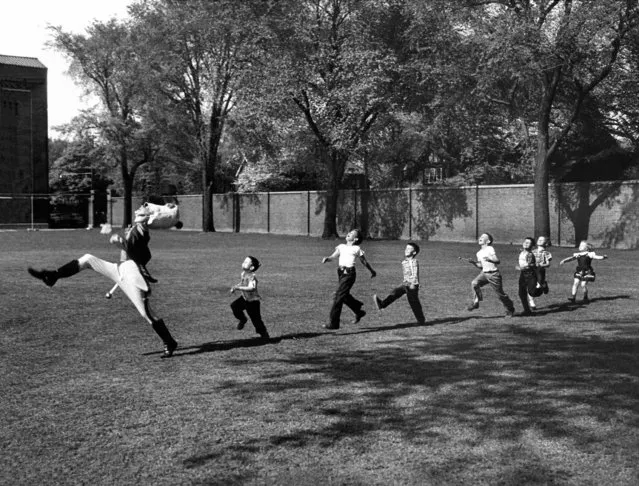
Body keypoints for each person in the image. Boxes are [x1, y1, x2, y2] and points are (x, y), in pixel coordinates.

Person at [27, 204, 178, 358]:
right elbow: (142, 253)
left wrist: (121, 243)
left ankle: (169, 342)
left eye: (143, 208)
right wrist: (123, 243)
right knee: (88, 259)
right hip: (119, 268)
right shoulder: (136, 228)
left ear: (149, 215)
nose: (138, 208)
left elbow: (138, 251)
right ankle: (53, 276)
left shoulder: (140, 230)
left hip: (131, 273)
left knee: (147, 313)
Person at [322, 229, 376, 329]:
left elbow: (364, 262)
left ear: (355, 239)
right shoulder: (341, 246)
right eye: (349, 232)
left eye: (351, 234)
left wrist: (372, 271)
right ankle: (358, 310)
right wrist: (328, 258)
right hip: (341, 273)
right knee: (343, 295)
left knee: (338, 297)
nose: (348, 233)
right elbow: (334, 256)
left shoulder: (356, 248)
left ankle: (333, 323)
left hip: (349, 274)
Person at [373, 241, 426, 325]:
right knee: (395, 292)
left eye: (409, 249)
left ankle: (421, 320)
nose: (406, 250)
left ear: (414, 252)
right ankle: (382, 304)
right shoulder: (404, 262)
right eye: (406, 248)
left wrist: (414, 283)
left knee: (414, 303)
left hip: (412, 285)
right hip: (406, 284)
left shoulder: (413, 261)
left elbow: (415, 272)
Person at [464, 232, 515, 317]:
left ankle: (510, 308)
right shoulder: (478, 253)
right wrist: (473, 262)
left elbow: (497, 261)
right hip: (484, 273)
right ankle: (476, 302)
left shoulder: (490, 248)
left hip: (493, 274)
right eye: (480, 236)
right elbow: (480, 266)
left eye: (483, 237)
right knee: (474, 283)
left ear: (488, 241)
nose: (480, 237)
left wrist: (490, 260)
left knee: (500, 295)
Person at [230, 255, 270, 341]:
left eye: (246, 262)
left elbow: (252, 288)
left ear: (251, 267)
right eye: (243, 261)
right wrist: (235, 287)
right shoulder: (243, 274)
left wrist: (239, 288)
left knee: (256, 319)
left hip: (253, 302)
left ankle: (264, 334)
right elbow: (243, 283)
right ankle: (243, 319)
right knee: (234, 306)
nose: (243, 263)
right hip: (244, 298)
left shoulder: (252, 276)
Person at [516, 237, 543, 316]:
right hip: (523, 275)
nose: (525, 243)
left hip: (530, 274)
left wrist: (520, 268)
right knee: (521, 293)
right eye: (525, 242)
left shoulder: (530, 254)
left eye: (528, 243)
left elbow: (530, 265)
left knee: (532, 292)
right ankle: (527, 310)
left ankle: (543, 286)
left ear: (532, 246)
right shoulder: (522, 252)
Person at [528, 235, 552, 310]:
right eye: (539, 239)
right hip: (532, 271)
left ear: (546, 243)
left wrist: (542, 264)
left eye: (542, 240)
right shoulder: (532, 252)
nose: (539, 240)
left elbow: (548, 264)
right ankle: (532, 302)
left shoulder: (547, 253)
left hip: (540, 271)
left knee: (539, 286)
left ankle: (544, 285)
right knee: (531, 287)